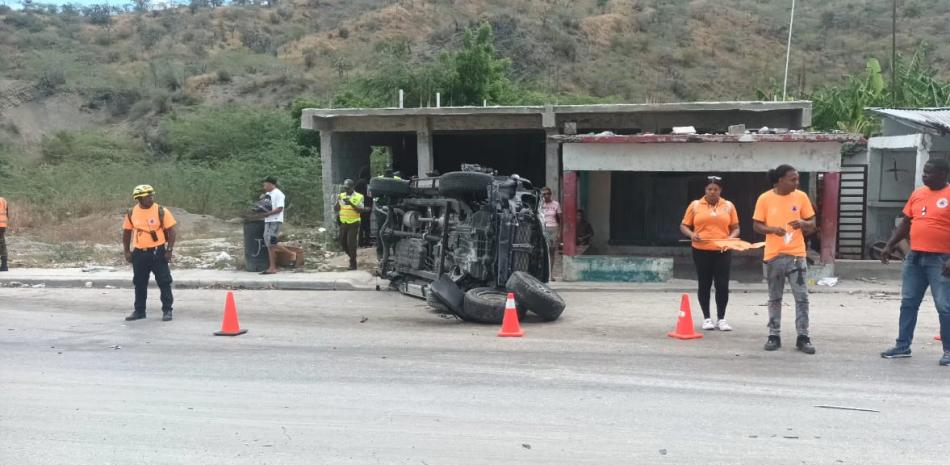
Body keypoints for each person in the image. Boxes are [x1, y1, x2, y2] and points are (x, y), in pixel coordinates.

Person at [880, 158, 950, 366]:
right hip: (915, 257)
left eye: (929, 173)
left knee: (944, 306)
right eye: (924, 172)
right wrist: (890, 244)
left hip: (941, 259)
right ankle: (902, 346)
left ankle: (948, 351)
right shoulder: (918, 193)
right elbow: (906, 222)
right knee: (908, 303)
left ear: (943, 174)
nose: (924, 176)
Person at [752, 165, 817, 354]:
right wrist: (772, 230)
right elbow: (756, 225)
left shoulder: (801, 196)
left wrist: (804, 224)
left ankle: (803, 337)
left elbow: (812, 225)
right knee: (774, 298)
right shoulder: (765, 198)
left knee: (802, 298)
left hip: (797, 255)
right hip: (774, 256)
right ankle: (774, 335)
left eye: (797, 179)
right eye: (792, 179)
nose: (796, 183)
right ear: (780, 180)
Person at [680, 176, 740, 331]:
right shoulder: (695, 205)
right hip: (701, 250)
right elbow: (684, 226)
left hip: (722, 250)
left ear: (721, 190)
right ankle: (707, 318)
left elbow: (736, 228)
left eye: (716, 189)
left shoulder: (728, 206)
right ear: (705, 190)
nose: (712, 192)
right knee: (704, 283)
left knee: (722, 284)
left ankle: (721, 318)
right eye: (709, 189)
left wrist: (730, 238)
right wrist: (692, 235)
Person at [122, 185, 177, 322]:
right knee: (139, 282)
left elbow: (172, 231)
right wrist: (127, 251)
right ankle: (139, 311)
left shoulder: (160, 210)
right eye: (148, 196)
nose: (151, 198)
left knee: (164, 282)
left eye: (152, 195)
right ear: (139, 198)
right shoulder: (131, 212)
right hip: (139, 253)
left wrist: (169, 250)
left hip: (158, 252)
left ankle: (167, 310)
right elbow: (127, 232)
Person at [254, 176, 291, 275]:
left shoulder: (279, 194)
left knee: (271, 243)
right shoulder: (268, 194)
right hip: (268, 220)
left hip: (275, 220)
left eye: (265, 184)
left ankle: (289, 256)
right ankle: (273, 266)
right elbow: (264, 206)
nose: (264, 186)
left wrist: (267, 214)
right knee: (268, 243)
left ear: (271, 184)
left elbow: (279, 209)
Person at [335, 179, 366, 270]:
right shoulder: (341, 196)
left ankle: (353, 264)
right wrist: (338, 201)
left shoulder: (359, 196)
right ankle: (353, 257)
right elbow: (336, 209)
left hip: (354, 222)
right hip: (343, 222)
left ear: (352, 187)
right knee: (342, 243)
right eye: (345, 188)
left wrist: (351, 203)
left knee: (351, 243)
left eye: (348, 188)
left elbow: (360, 210)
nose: (346, 190)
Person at [541, 187, 561, 279]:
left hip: (553, 228)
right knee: (542, 251)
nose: (546, 196)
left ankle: (551, 274)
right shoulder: (540, 204)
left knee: (552, 251)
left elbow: (561, 219)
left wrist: (559, 232)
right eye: (544, 194)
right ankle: (542, 273)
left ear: (550, 194)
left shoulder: (556, 204)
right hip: (542, 228)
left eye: (548, 193)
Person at [0, 195, 8, 271]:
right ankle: (4, 265)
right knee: (2, 245)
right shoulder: (3, 200)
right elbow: (7, 214)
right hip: (2, 225)